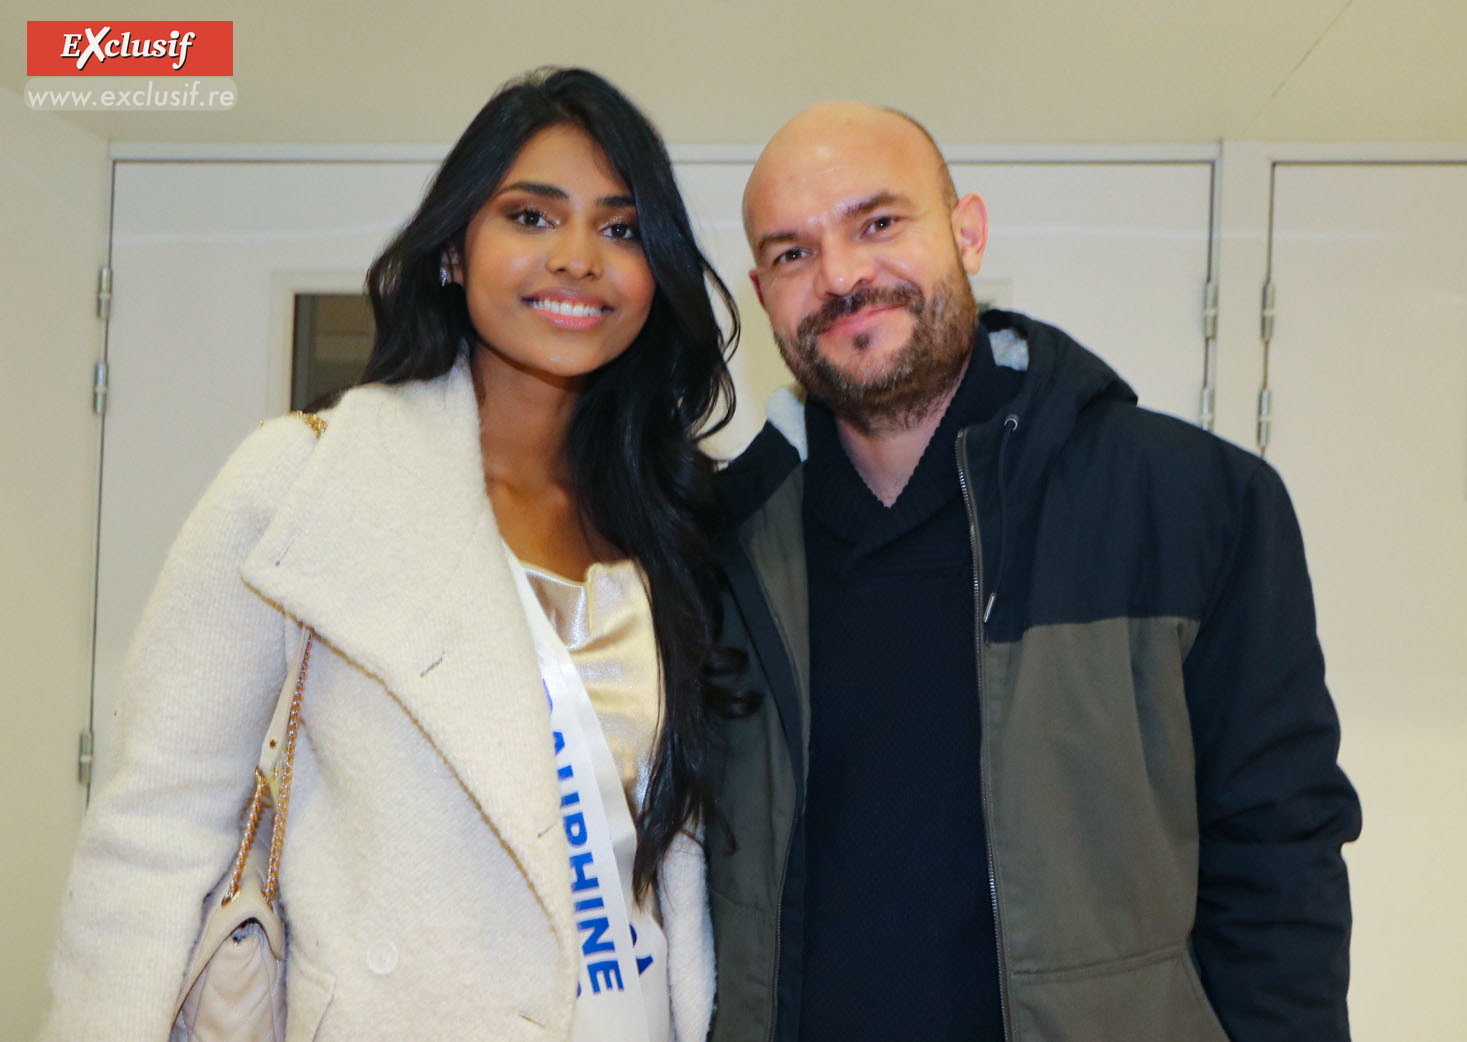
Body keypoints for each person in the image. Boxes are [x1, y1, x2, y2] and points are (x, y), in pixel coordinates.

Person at [40, 67, 743, 1042]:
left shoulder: (669, 521)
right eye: (532, 217)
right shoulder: (302, 481)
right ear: (455, 250)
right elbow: (156, 833)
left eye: (621, 229)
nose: (579, 257)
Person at [704, 101, 1362, 1042]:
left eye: (878, 223)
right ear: (763, 293)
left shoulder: (1194, 503)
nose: (842, 275)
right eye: (791, 253)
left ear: (966, 231)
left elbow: (1279, 861)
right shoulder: (719, 544)